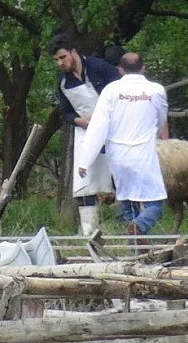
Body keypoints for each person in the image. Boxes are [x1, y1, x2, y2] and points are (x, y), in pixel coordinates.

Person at [77, 52, 168, 238]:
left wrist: (84, 161)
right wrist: (155, 137)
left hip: (118, 157)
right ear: (143, 68)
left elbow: (98, 127)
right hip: (144, 155)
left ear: (120, 69)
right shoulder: (156, 90)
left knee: (128, 202)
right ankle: (140, 226)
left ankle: (135, 249)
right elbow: (161, 119)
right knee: (155, 204)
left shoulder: (111, 91)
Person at [47, 33, 120, 235]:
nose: (60, 63)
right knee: (85, 181)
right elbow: (66, 112)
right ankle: (90, 230)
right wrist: (79, 120)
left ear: (73, 52)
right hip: (86, 133)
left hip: (114, 130)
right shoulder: (62, 82)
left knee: (121, 174)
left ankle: (131, 224)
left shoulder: (101, 68)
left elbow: (120, 95)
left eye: (62, 57)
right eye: (56, 60)